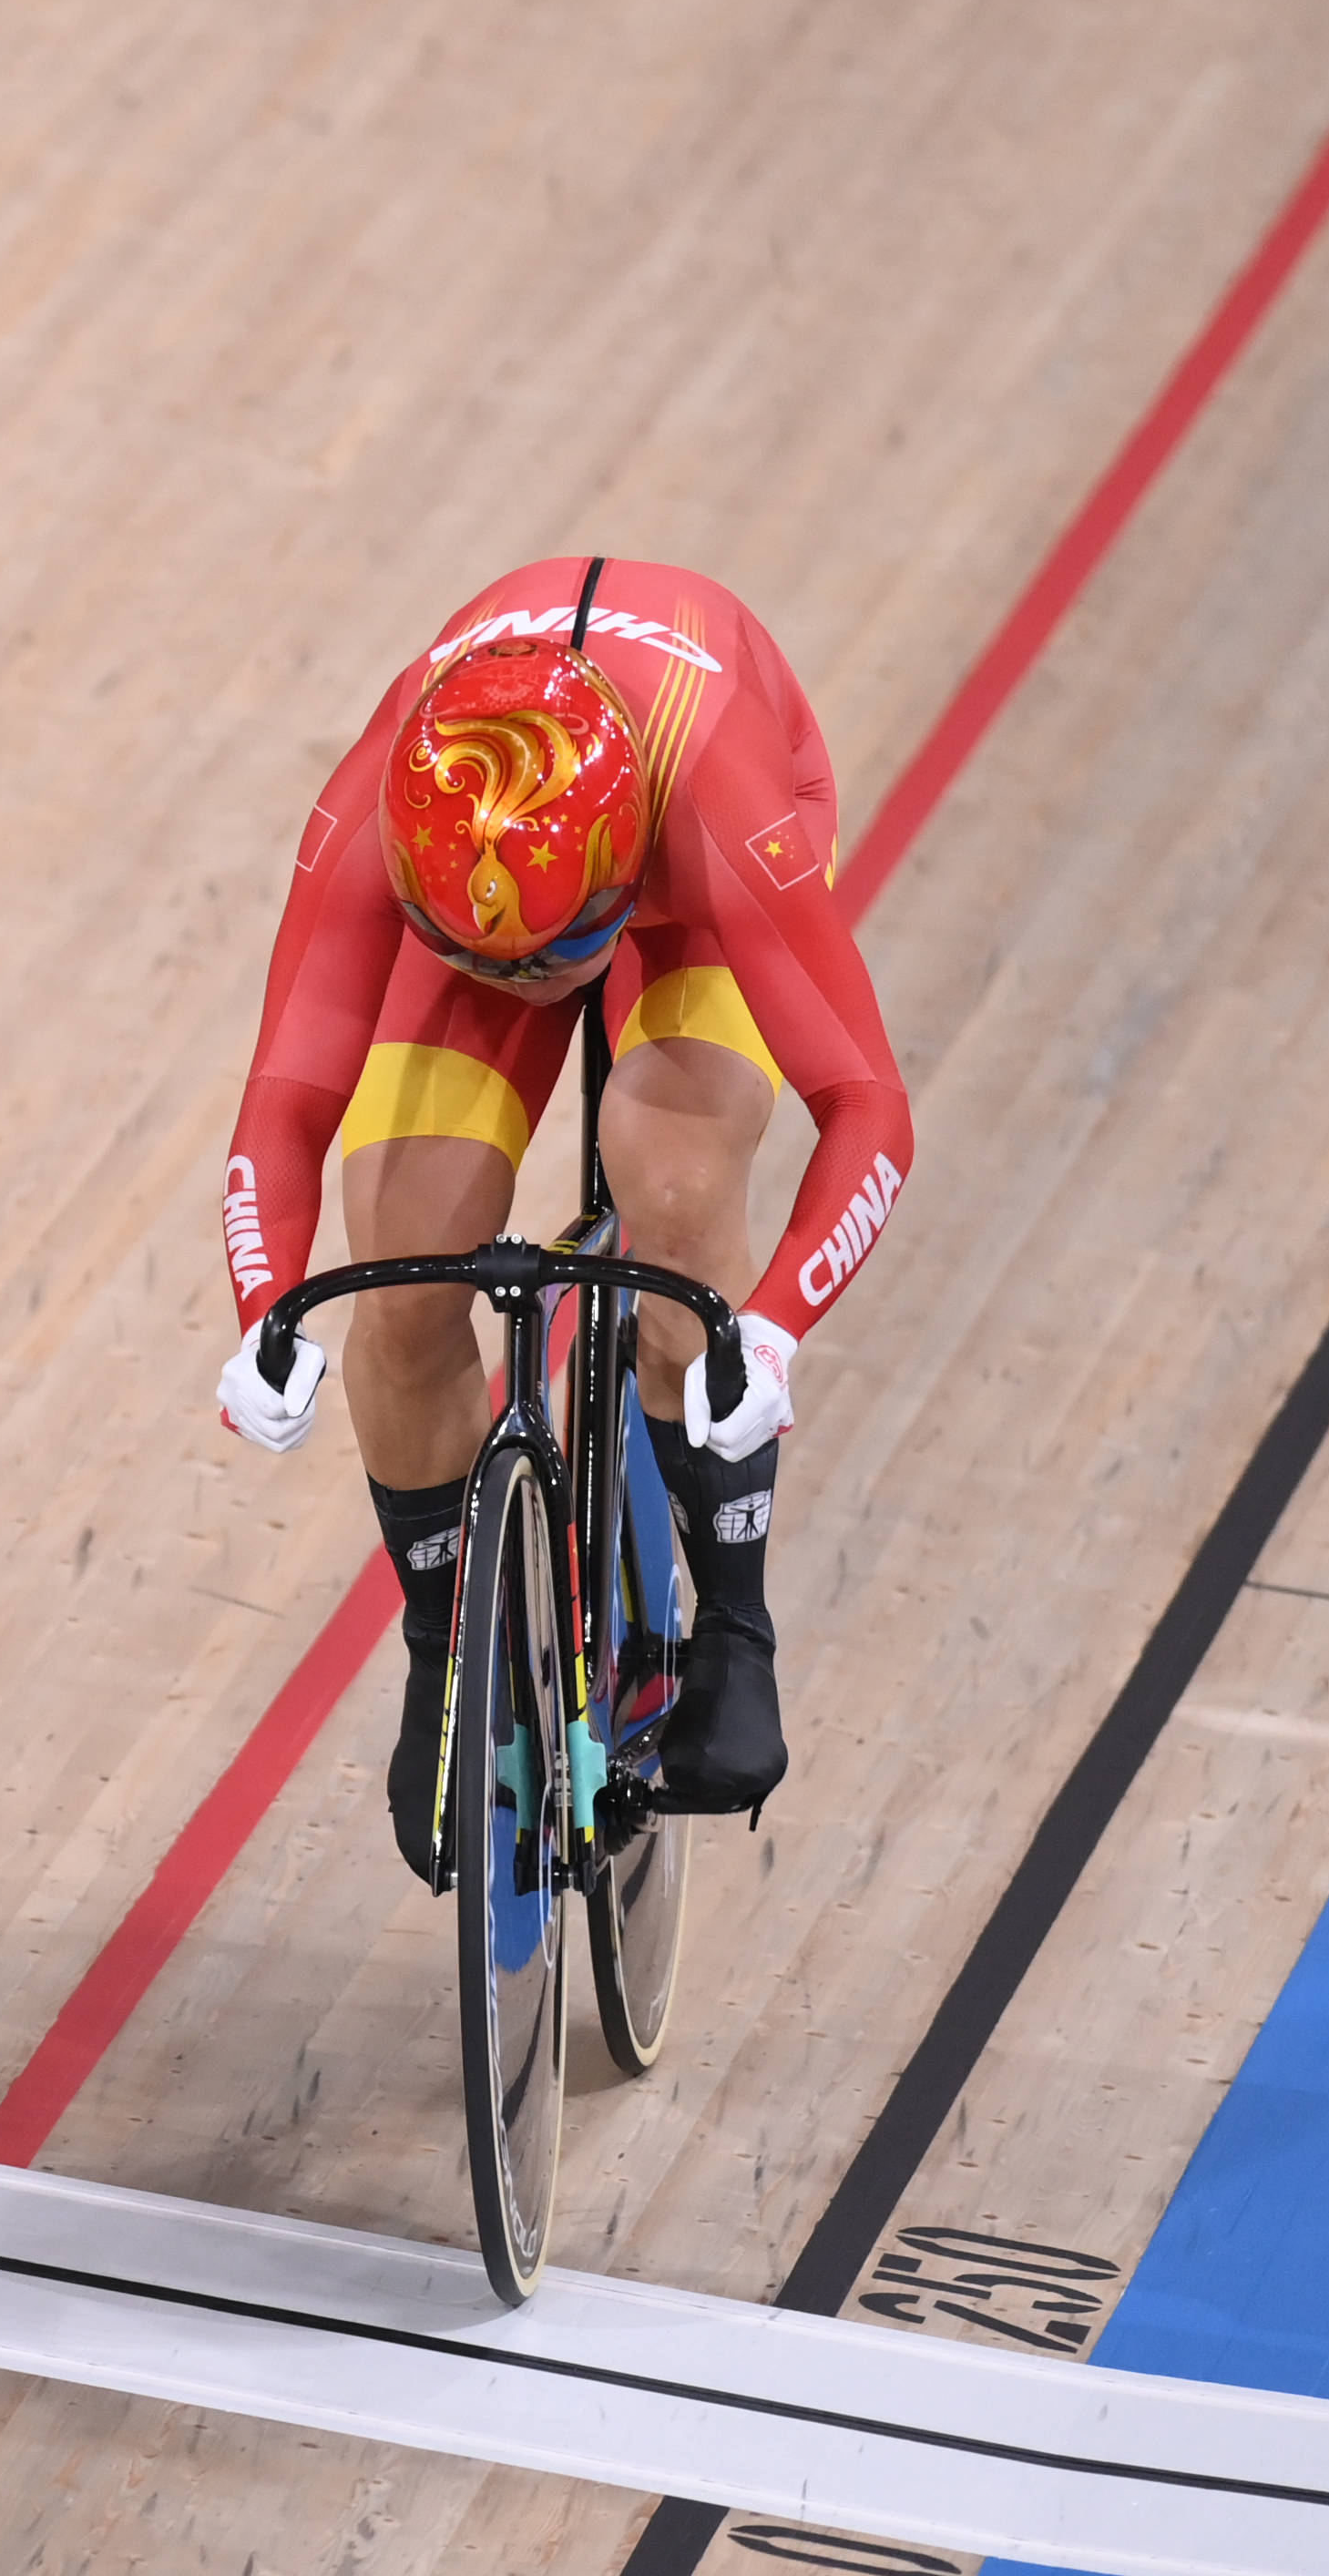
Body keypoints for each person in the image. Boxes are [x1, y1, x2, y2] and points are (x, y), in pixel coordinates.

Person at [212, 557, 914, 1880]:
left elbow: (872, 1109)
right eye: (483, 961)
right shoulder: (394, 815)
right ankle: (441, 1646)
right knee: (402, 1276)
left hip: (698, 856)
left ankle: (736, 1629)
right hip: (517, 864)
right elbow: (283, 1100)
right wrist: (263, 1311)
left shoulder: (720, 807)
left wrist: (766, 1330)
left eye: (545, 964)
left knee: (678, 1184)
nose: (518, 990)